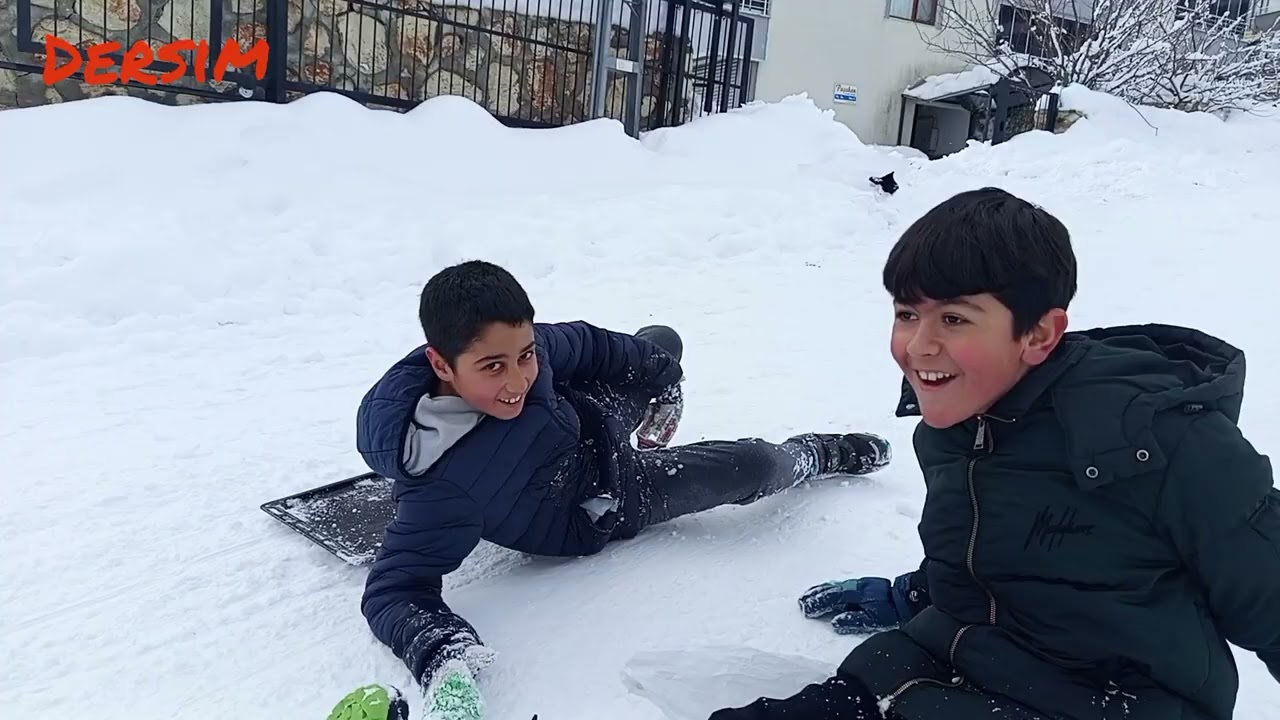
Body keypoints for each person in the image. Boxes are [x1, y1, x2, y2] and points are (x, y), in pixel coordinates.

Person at [709, 187, 1280, 720]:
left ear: (1038, 335)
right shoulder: (957, 424)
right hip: (944, 662)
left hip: (1109, 700)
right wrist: (914, 592)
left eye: (953, 318)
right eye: (908, 313)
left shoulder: (1168, 444)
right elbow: (995, 547)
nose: (918, 345)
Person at [352, 259, 893, 703]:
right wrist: (443, 654)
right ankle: (818, 454)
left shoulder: (522, 355)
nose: (517, 379)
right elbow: (394, 590)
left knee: (659, 344)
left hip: (588, 425)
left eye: (525, 356)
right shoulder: (440, 484)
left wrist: (666, 386)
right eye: (493, 367)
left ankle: (658, 380)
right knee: (751, 465)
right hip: (602, 502)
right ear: (440, 365)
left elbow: (587, 345)